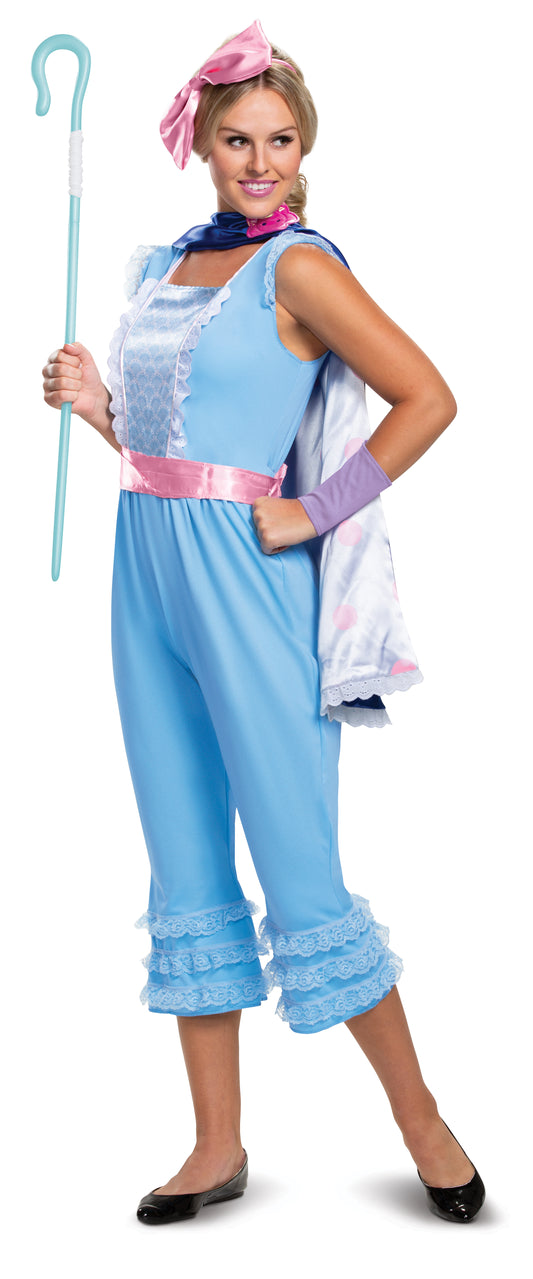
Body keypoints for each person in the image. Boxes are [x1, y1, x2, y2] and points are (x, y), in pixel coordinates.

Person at [42, 19, 486, 1226]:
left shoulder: (297, 268)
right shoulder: (162, 268)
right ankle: (215, 1143)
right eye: (238, 140)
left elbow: (426, 395)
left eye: (279, 140)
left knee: (298, 871)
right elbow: (166, 447)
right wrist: (95, 405)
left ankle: (423, 1122)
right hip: (144, 576)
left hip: (247, 581)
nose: (258, 162)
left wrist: (314, 508)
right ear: (203, 146)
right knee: (184, 856)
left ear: (303, 147)